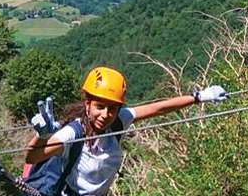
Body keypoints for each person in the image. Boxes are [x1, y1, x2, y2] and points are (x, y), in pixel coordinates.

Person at [22, 66, 227, 195]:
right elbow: (33, 157)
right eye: (99, 107)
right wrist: (43, 137)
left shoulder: (118, 122)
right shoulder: (73, 133)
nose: (105, 114)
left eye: (112, 108)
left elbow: (159, 108)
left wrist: (199, 97)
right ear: (88, 105)